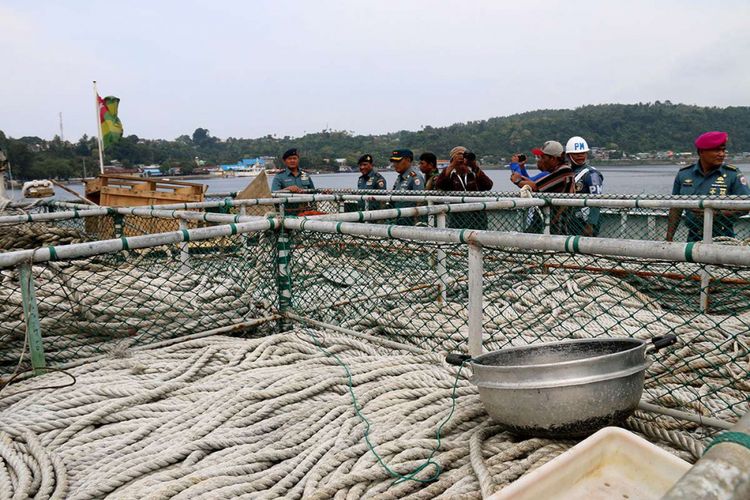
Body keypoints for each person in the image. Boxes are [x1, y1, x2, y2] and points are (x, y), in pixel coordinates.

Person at [666, 131, 750, 242]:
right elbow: (676, 208)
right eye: (716, 150)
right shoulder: (684, 174)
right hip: (693, 238)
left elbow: (746, 206)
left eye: (723, 150)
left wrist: (717, 213)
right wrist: (668, 239)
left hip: (723, 238)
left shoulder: (732, 174)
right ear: (701, 152)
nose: (722, 154)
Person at [511, 140, 575, 233]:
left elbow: (536, 187)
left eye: (542, 157)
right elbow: (538, 184)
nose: (540, 160)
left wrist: (517, 181)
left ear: (553, 159)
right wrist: (521, 176)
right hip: (550, 222)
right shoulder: (556, 171)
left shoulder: (564, 171)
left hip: (557, 225)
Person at [434, 147, 493, 229]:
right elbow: (439, 185)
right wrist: (452, 165)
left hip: (477, 214)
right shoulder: (450, 174)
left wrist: (474, 167)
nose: (462, 158)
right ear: (453, 158)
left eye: (464, 155)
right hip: (458, 214)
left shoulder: (473, 173)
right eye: (459, 154)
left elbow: (488, 185)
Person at [565, 136, 604, 236]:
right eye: (576, 154)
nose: (580, 156)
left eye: (583, 153)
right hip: (569, 220)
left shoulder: (591, 174)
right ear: (569, 155)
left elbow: (597, 200)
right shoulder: (567, 172)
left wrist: (591, 224)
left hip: (585, 221)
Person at [271, 148, 316, 215]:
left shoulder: (305, 175)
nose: (292, 161)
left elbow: (313, 192)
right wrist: (287, 189)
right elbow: (273, 194)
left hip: (305, 212)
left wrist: (324, 193)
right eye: (289, 159)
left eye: (294, 158)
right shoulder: (279, 177)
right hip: (287, 213)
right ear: (284, 161)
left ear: (298, 160)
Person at [390, 148, 424, 225]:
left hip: (410, 222)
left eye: (398, 161)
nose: (394, 164)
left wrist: (417, 223)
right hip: (399, 219)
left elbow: (420, 202)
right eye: (393, 161)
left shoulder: (415, 177)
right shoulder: (400, 178)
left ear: (408, 160)